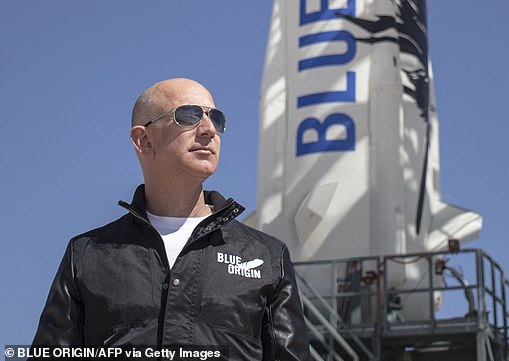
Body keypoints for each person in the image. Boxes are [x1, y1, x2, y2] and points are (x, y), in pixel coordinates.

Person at [31, 78, 310, 360]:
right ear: (144, 139)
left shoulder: (267, 258)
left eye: (216, 118)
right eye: (189, 115)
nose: (209, 129)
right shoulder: (87, 256)